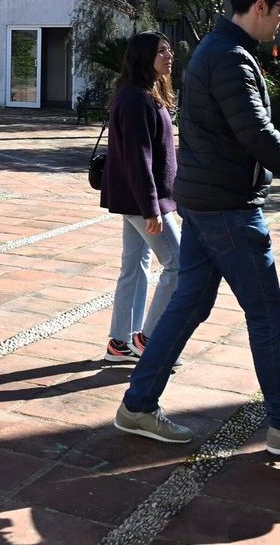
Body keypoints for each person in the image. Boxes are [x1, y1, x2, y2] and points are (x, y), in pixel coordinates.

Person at [113, 0, 280, 461]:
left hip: (208, 200)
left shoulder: (221, 50)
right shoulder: (228, 57)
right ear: (261, 7)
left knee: (190, 304)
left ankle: (138, 404)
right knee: (268, 312)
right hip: (226, 206)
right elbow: (259, 137)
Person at [100, 32, 182, 365]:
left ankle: (120, 342)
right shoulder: (137, 100)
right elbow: (138, 158)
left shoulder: (142, 94)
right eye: (162, 51)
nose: (169, 55)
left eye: (169, 49)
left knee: (134, 267)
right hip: (143, 202)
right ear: (144, 56)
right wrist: (152, 209)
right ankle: (148, 340)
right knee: (180, 265)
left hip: (137, 200)